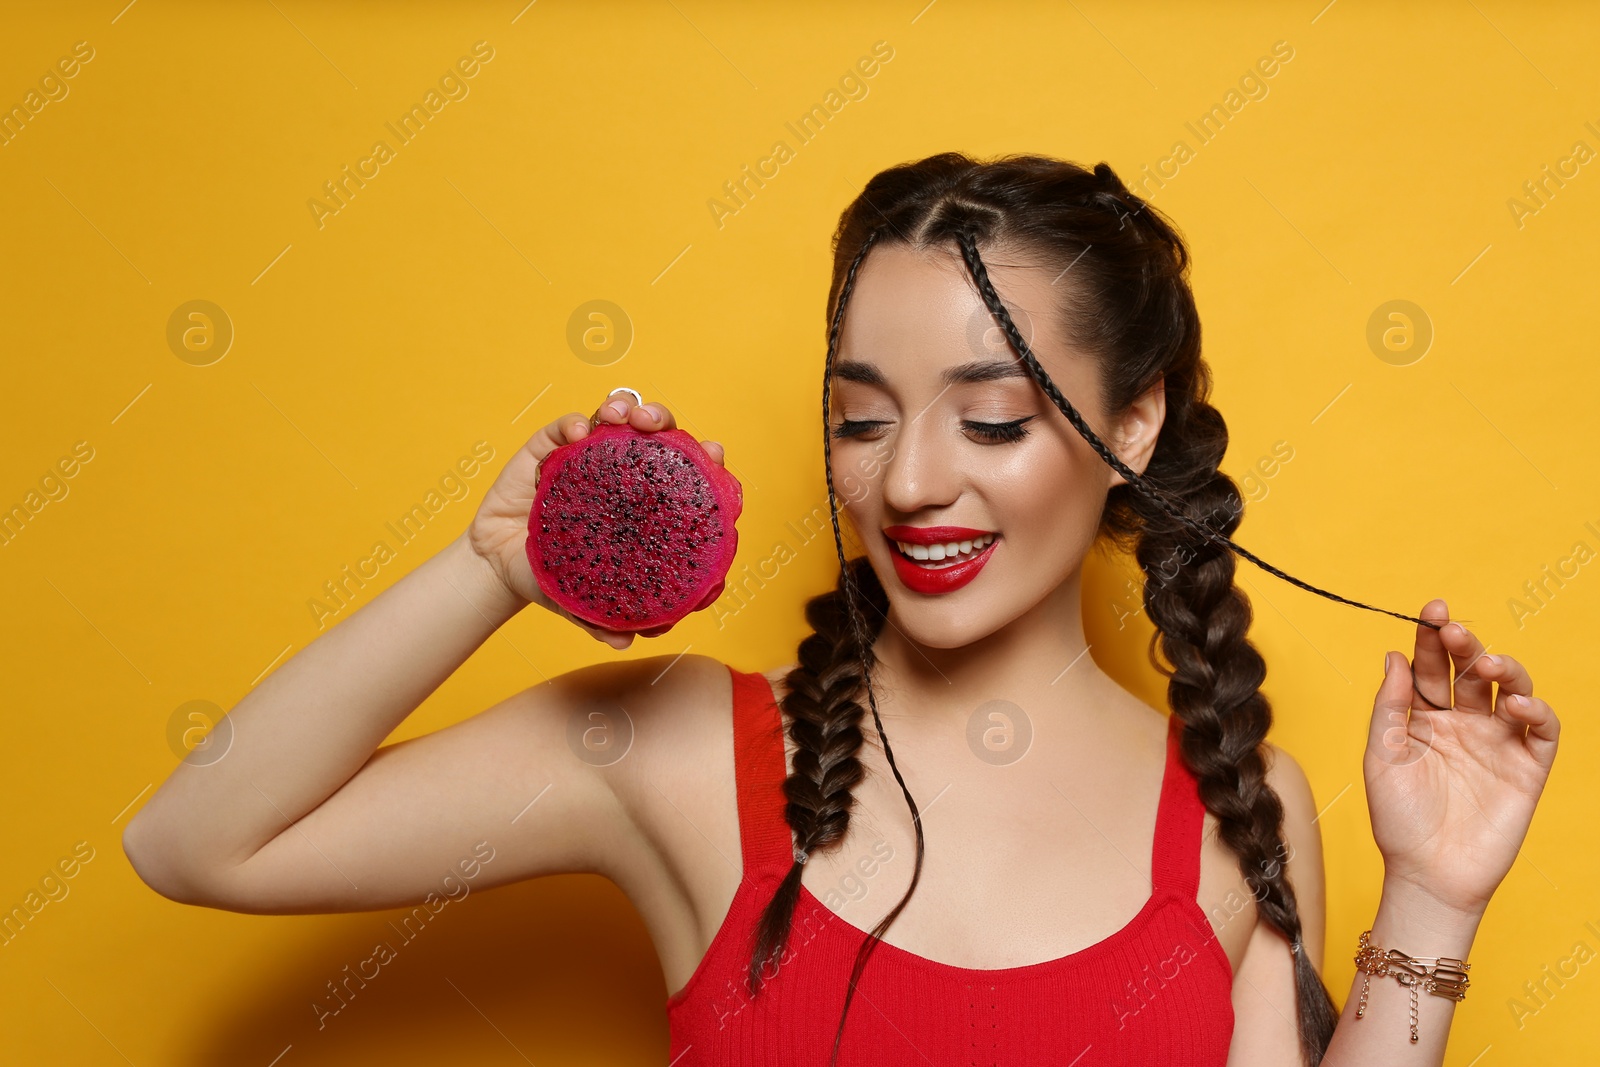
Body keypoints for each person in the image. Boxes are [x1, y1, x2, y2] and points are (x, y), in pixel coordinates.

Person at [122, 153, 1559, 1066]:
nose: (912, 483)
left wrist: (1434, 890)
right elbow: (199, 841)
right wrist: (496, 568)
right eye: (861, 422)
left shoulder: (1239, 811)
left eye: (991, 422)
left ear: (1132, 427)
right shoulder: (681, 749)